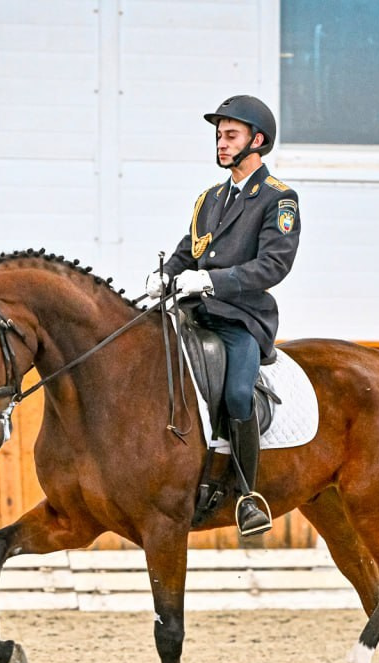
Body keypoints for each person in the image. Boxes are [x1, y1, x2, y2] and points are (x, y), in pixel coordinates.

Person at [147, 94, 301, 537]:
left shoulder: (278, 199)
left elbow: (274, 265)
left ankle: (248, 495)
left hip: (240, 318)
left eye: (230, 135)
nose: (221, 142)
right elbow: (186, 251)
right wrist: (164, 277)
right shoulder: (210, 199)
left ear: (257, 140)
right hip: (193, 312)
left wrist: (213, 281)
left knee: (237, 395)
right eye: (219, 135)